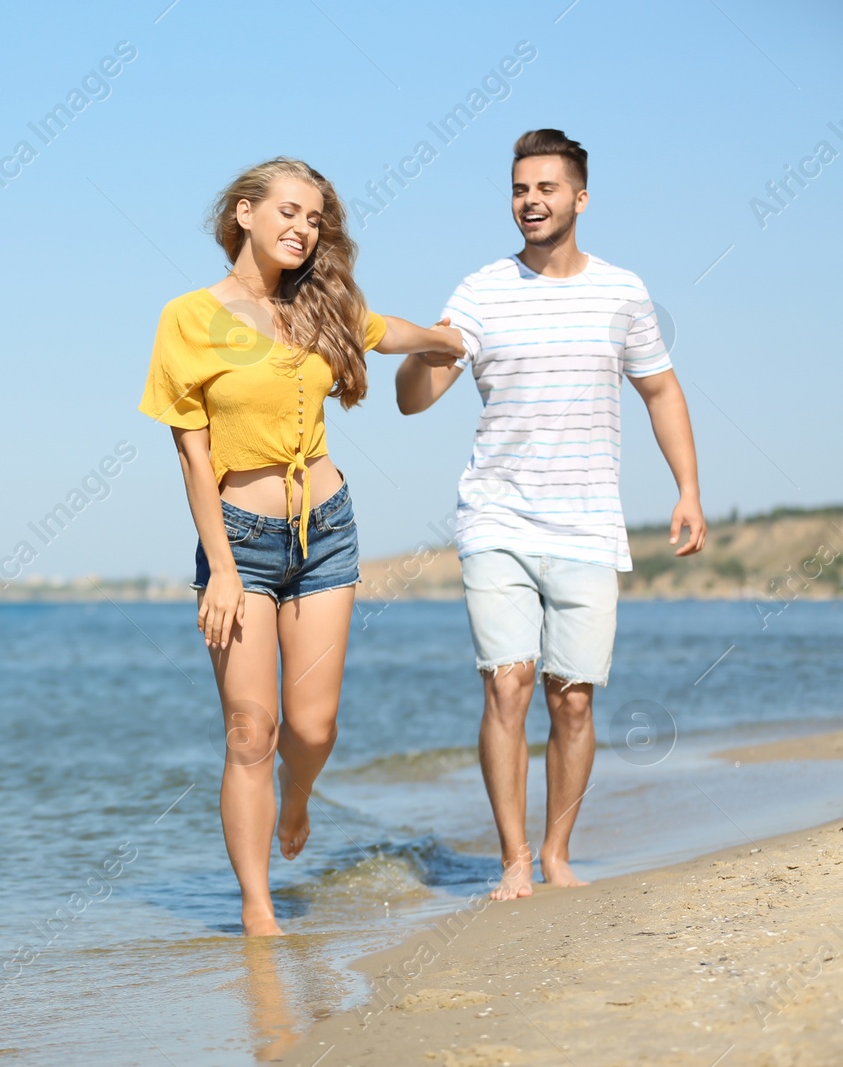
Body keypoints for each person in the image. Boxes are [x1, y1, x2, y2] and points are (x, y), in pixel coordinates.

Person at [138, 157, 465, 936]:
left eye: (314, 218)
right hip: (240, 544)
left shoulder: (325, 304)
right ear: (244, 213)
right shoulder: (187, 317)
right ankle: (259, 910)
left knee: (312, 729)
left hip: (326, 532)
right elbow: (191, 452)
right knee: (252, 730)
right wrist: (219, 566)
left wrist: (454, 337)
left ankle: (299, 796)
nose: (302, 227)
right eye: (288, 211)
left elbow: (391, 335)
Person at [394, 129, 707, 901]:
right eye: (518, 189)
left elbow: (660, 391)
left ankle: (558, 851)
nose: (530, 201)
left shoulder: (623, 293)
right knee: (508, 683)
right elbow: (412, 399)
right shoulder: (479, 291)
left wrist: (688, 490)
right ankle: (512, 861)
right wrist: (424, 351)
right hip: (495, 517)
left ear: (580, 198)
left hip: (588, 522)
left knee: (572, 696)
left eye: (545, 188)